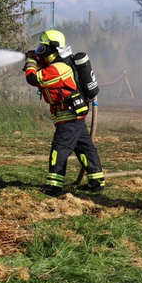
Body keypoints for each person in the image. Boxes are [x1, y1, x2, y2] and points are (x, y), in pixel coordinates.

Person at [23, 29, 104, 197]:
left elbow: (33, 79)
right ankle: (97, 182)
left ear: (53, 49)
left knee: (60, 149)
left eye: (42, 48)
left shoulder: (58, 68)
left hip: (68, 116)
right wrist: (36, 58)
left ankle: (54, 186)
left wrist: (31, 61)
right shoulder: (60, 64)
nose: (40, 52)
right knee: (84, 148)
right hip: (74, 114)